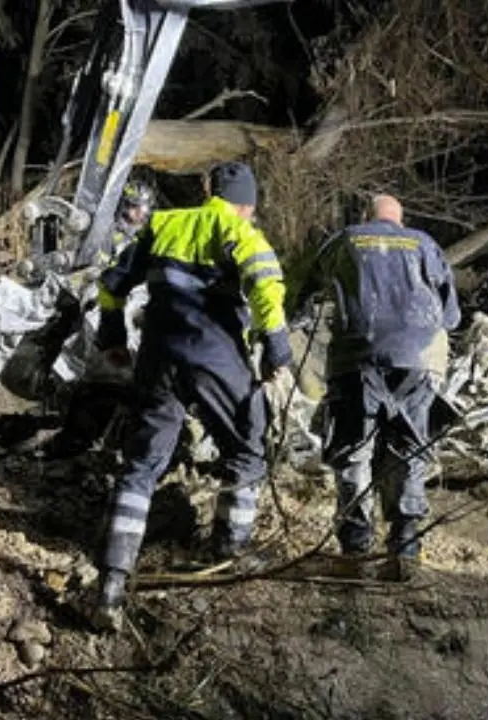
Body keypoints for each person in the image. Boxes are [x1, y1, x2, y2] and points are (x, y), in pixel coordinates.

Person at [91, 161, 292, 629]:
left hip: (159, 354)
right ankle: (230, 554)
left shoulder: (163, 224)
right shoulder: (237, 230)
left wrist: (112, 337)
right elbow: (266, 288)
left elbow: (112, 284)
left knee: (142, 462)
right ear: (248, 204)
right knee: (247, 446)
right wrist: (277, 353)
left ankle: (113, 582)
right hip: (214, 352)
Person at [318, 194, 461, 558]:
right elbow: (451, 317)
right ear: (401, 218)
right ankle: (406, 544)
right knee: (411, 446)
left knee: (354, 449)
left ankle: (355, 546)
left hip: (357, 358)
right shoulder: (425, 244)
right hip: (419, 359)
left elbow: (300, 290)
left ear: (367, 216)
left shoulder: (347, 239)